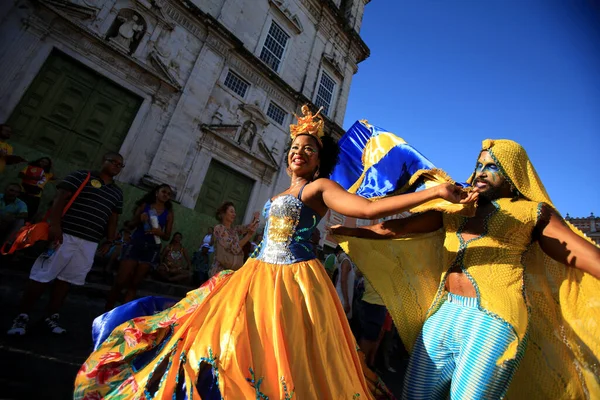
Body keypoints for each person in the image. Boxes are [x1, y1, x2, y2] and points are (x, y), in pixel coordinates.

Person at [73, 105, 474, 399]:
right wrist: (241, 240)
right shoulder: (280, 192)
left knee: (285, 353)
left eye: (309, 149)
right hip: (253, 274)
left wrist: (436, 191)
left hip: (295, 282)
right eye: (295, 147)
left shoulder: (316, 189)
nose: (299, 152)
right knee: (224, 342)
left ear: (320, 160)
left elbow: (366, 209)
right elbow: (265, 233)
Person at [332, 139, 600, 399]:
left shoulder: (532, 212)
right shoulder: (455, 208)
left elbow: (582, 254)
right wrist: (347, 231)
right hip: (445, 312)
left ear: (512, 173)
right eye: (479, 165)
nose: (481, 173)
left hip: (495, 319)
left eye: (492, 167)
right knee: (414, 393)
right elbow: (397, 228)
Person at [7, 152, 124, 336]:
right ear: (103, 161)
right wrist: (55, 224)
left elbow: (113, 218)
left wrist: (109, 240)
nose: (116, 166)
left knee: (67, 280)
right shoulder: (81, 176)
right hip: (64, 235)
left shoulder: (117, 192)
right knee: (42, 275)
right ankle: (22, 316)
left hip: (89, 242)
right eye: (113, 162)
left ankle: (51, 316)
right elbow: (60, 199)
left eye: (120, 164)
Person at [104, 184, 174, 311]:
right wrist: (139, 219)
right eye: (164, 192)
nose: (166, 195)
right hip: (136, 243)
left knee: (134, 284)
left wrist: (160, 233)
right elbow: (130, 225)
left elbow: (167, 236)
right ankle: (107, 311)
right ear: (156, 192)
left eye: (169, 194)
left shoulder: (168, 214)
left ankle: (122, 315)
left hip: (151, 248)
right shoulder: (145, 206)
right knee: (120, 281)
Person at [208, 201, 259, 277]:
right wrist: (248, 236)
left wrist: (254, 220)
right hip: (219, 273)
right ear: (223, 213)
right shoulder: (219, 229)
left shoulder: (234, 229)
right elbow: (234, 248)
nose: (234, 214)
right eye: (231, 212)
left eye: (234, 212)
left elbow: (247, 227)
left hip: (231, 273)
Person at [334, 245, 355, 319]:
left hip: (342, 295)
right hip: (342, 297)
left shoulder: (346, 261)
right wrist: (346, 301)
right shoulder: (346, 261)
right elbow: (343, 280)